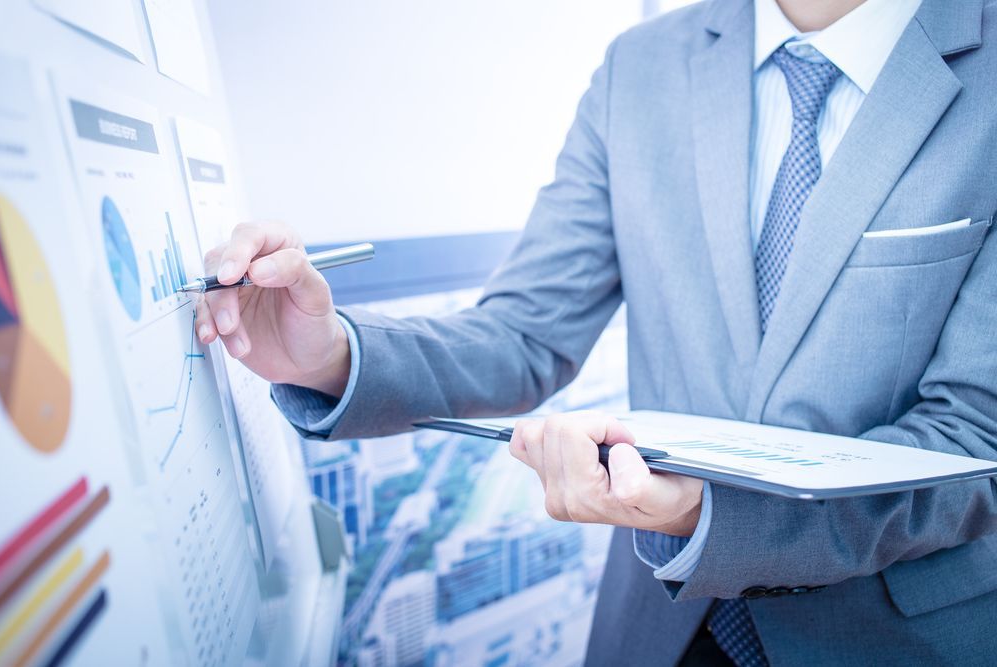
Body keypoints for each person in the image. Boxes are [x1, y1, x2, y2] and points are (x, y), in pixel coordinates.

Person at [197, 0, 997, 663]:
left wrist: (711, 514)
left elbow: (969, 441)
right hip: (656, 624)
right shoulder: (638, 70)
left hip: (895, 636)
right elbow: (525, 330)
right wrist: (333, 353)